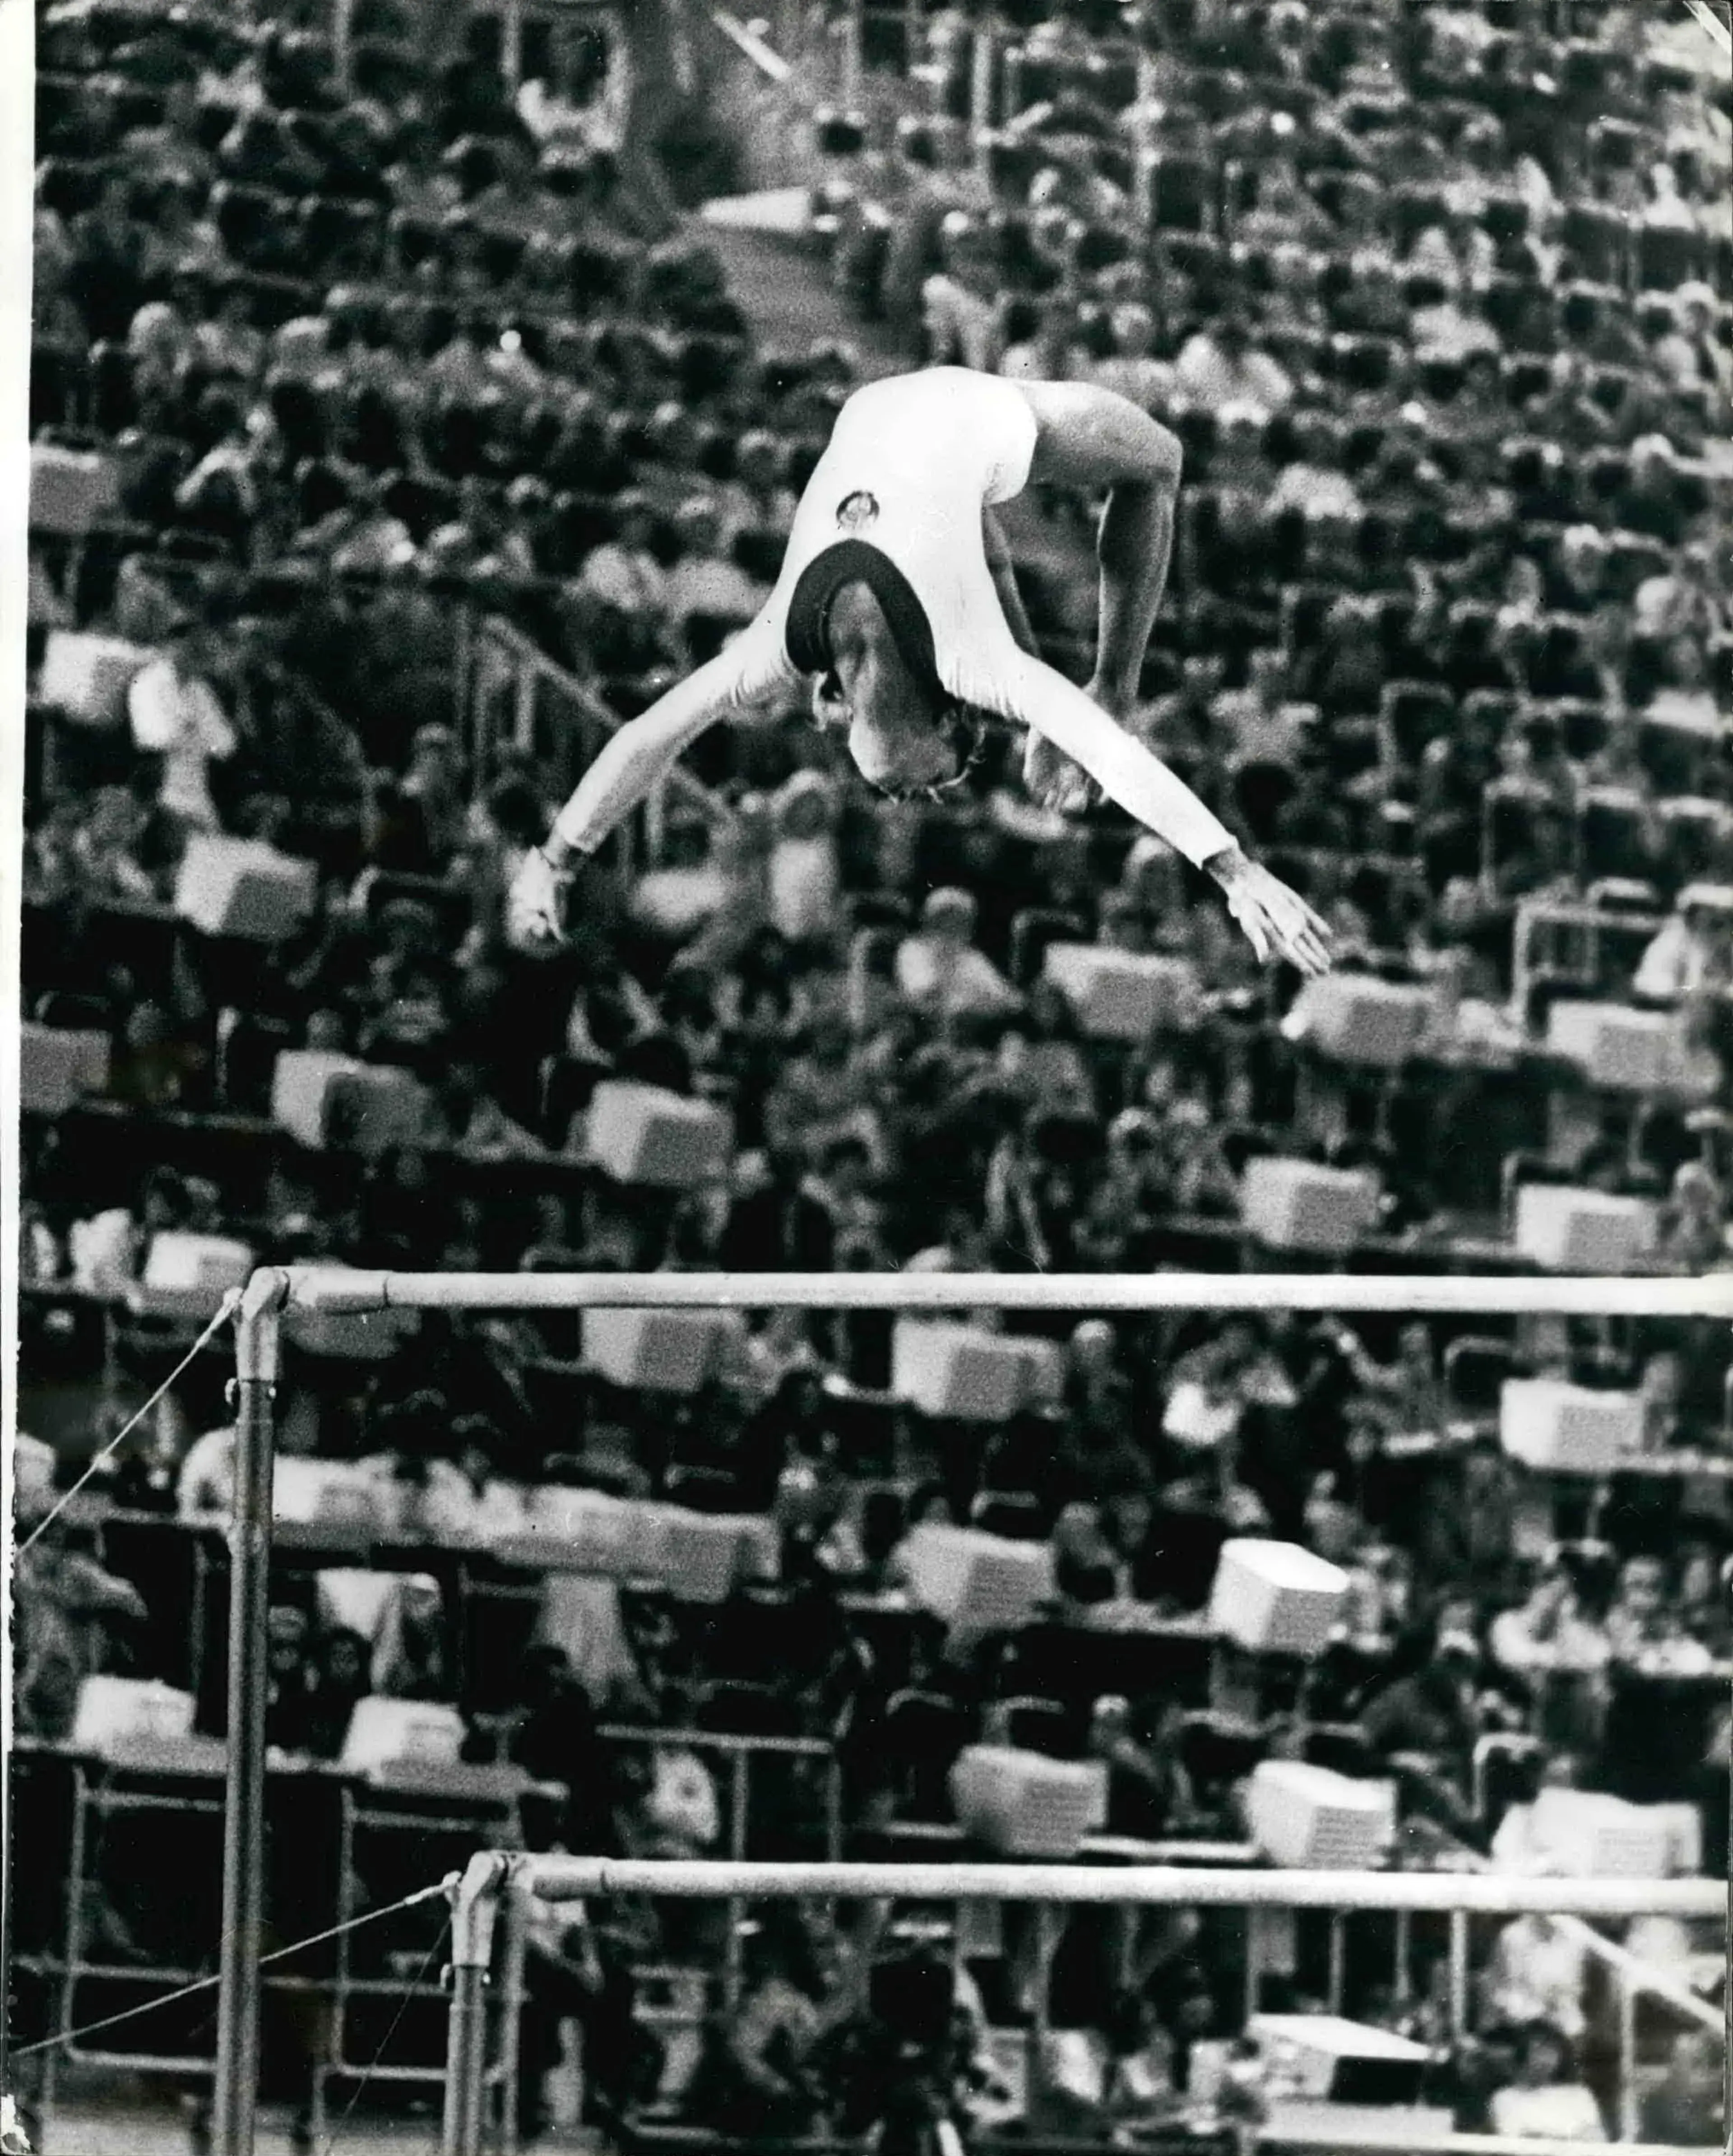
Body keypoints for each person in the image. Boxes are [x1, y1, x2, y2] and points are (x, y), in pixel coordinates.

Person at [510, 370, 1330, 977]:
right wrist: (1229, 866)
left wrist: (559, 858)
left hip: (958, 416)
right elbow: (647, 735)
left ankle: (1111, 678)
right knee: (1141, 474)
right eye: (926, 789)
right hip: (944, 418)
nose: (909, 795)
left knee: (1158, 467)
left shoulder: (813, 646)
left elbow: (648, 736)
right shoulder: (918, 656)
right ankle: (1074, 696)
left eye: (914, 793)